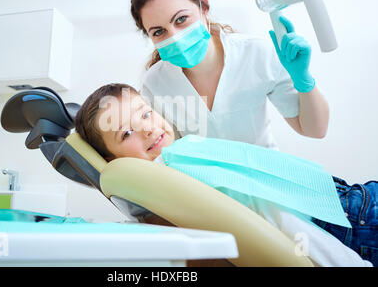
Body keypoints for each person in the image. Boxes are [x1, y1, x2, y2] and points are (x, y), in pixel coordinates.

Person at [74, 83, 376, 267]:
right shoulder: (170, 175)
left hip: (346, 202)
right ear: (112, 159)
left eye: (144, 113)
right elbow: (271, 213)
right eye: (126, 132)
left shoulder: (179, 153)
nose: (147, 128)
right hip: (351, 222)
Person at [130, 0, 330, 150]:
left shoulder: (256, 53)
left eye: (181, 19)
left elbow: (315, 130)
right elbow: (168, 154)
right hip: (203, 189)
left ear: (204, 7)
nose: (175, 37)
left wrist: (303, 80)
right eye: (158, 32)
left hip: (267, 180)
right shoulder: (155, 84)